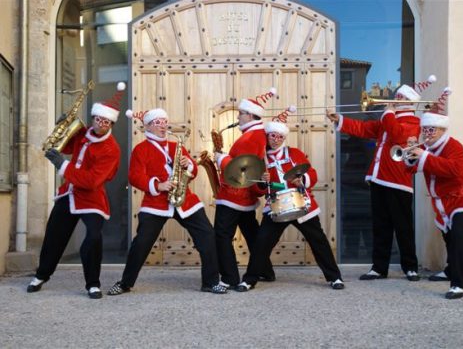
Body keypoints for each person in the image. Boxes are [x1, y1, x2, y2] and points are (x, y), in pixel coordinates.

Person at [327, 77, 437, 282]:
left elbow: (397, 136)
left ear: (410, 102)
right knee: (381, 226)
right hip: (379, 180)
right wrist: (339, 119)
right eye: (397, 96)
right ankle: (379, 267)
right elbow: (364, 130)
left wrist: (388, 113)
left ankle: (410, 267)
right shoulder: (389, 120)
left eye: (400, 97)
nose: (395, 99)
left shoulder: (414, 123)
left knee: (403, 227)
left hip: (398, 182)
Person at [107, 108, 226, 295]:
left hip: (185, 200)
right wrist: (158, 185)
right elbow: (135, 177)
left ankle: (210, 282)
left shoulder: (176, 146)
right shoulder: (140, 149)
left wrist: (191, 166)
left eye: (164, 121)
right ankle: (125, 283)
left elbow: (191, 174)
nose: (163, 125)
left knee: (207, 236)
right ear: (147, 126)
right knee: (142, 243)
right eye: (157, 122)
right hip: (156, 204)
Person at [27, 82, 124, 299]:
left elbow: (91, 181)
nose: (101, 124)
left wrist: (62, 165)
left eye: (106, 121)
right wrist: (61, 128)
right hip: (69, 193)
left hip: (92, 198)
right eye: (98, 119)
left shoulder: (112, 149)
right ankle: (42, 275)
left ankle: (93, 283)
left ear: (111, 123)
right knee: (54, 235)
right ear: (93, 118)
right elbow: (68, 147)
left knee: (93, 236)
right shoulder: (82, 132)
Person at [235, 110, 344, 291]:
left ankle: (335, 277)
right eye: (272, 136)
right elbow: (256, 189)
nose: (276, 139)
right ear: (267, 137)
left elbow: (312, 174)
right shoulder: (259, 159)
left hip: (301, 203)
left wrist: (303, 180)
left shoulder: (294, 153)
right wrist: (263, 182)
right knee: (262, 243)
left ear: (283, 138)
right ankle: (249, 279)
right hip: (276, 206)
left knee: (319, 241)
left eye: (279, 136)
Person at [406, 89, 463, 299]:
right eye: (425, 130)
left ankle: (459, 284)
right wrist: (411, 154)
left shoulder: (454, 146)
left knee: (457, 237)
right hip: (441, 203)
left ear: (441, 130)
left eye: (431, 130)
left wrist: (424, 155)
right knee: (449, 238)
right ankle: (449, 270)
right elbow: (410, 169)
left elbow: (453, 170)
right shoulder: (426, 149)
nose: (427, 134)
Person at [214, 89, 276, 289]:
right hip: (244, 197)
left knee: (222, 235)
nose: (238, 117)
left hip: (234, 195)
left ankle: (229, 277)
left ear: (250, 115)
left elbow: (243, 169)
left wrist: (221, 158)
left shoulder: (251, 137)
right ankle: (265, 271)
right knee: (252, 234)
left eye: (240, 113)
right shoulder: (255, 134)